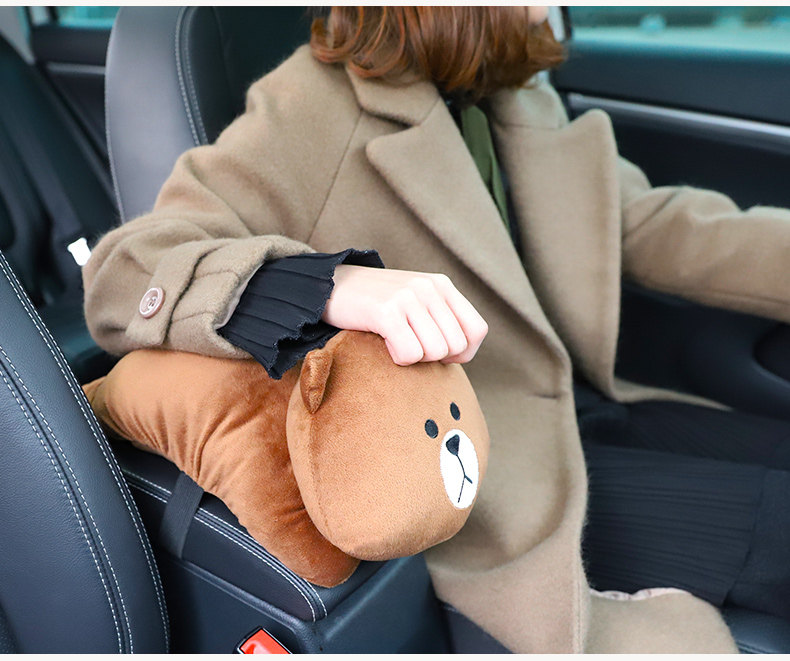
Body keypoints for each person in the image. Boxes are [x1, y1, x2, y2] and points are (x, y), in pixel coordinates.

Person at [83, 6, 790, 653]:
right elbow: (125, 272)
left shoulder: (514, 88)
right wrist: (328, 284)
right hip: (485, 465)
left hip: (585, 412)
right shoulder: (316, 102)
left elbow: (636, 219)